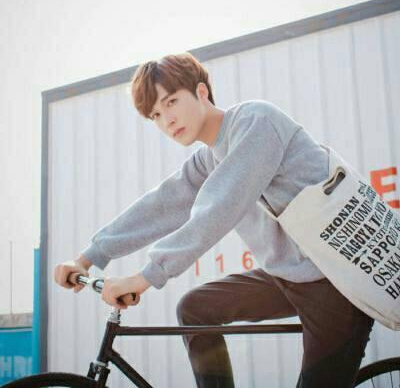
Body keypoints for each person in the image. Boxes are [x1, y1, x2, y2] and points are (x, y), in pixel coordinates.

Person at [54, 52, 374, 388]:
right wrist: (89, 257)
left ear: (202, 91)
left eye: (171, 102)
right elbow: (159, 205)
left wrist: (145, 277)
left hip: (336, 282)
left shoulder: (256, 122)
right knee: (195, 309)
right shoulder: (208, 160)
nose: (167, 120)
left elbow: (219, 207)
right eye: (156, 115)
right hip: (290, 278)